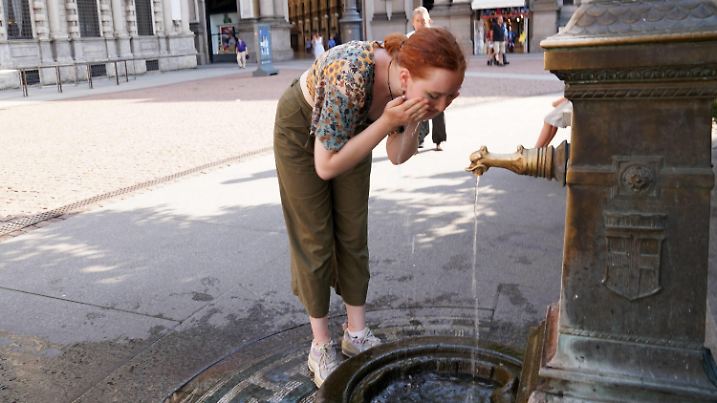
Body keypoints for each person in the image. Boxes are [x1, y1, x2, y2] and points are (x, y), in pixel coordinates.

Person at [273, 28, 466, 388]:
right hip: (303, 130)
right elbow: (325, 166)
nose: (440, 106)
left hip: (360, 126)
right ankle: (320, 345)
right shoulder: (352, 73)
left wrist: (410, 121)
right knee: (315, 236)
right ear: (406, 77)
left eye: (450, 97)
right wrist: (387, 122)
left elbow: (396, 155)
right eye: (435, 96)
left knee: (352, 230)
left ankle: (356, 333)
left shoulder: (410, 91)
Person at [408, 6, 447, 151]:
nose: (421, 24)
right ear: (413, 22)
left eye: (423, 21)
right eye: (418, 21)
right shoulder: (409, 38)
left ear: (429, 21)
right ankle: (420, 138)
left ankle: (439, 140)